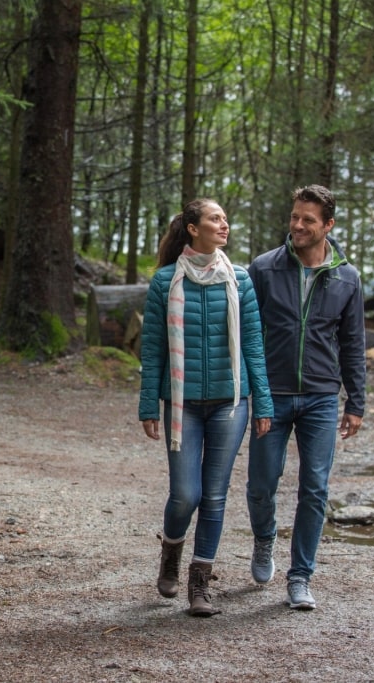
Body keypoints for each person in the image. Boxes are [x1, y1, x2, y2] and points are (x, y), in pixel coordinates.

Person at [139, 198, 273, 617]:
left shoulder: (240, 280)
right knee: (185, 494)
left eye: (225, 218)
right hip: (182, 404)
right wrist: (147, 403)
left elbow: (253, 342)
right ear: (193, 228)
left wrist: (263, 401)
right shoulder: (164, 282)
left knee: (214, 496)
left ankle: (200, 586)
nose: (224, 224)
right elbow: (153, 348)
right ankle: (171, 554)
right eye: (215, 218)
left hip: (231, 402)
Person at [245, 184, 366, 610]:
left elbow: (353, 343)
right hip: (271, 395)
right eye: (295, 216)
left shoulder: (347, 276)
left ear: (328, 226)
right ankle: (264, 541)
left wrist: (356, 403)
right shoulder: (263, 268)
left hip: (319, 397)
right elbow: (246, 334)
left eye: (307, 220)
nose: (297, 225)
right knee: (261, 486)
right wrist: (250, 388)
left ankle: (300, 576)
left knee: (314, 489)